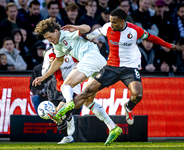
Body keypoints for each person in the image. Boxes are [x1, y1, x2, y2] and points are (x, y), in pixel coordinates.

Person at [54, 9, 177, 128]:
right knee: (86, 92)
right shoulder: (107, 27)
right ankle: (65, 111)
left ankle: (128, 107)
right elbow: (91, 35)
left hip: (129, 68)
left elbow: (151, 37)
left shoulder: (134, 30)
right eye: (110, 21)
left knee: (138, 95)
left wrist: (168, 45)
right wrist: (80, 36)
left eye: (114, 22)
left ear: (122, 22)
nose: (111, 24)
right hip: (111, 67)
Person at [32, 17, 123, 146]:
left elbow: (88, 28)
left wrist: (76, 27)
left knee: (66, 85)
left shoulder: (67, 32)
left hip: (91, 58)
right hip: (99, 64)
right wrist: (43, 77)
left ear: (56, 31)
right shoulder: (57, 45)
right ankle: (113, 127)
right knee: (88, 101)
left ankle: (69, 104)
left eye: (49, 36)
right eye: (46, 38)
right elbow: (58, 61)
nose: (49, 40)